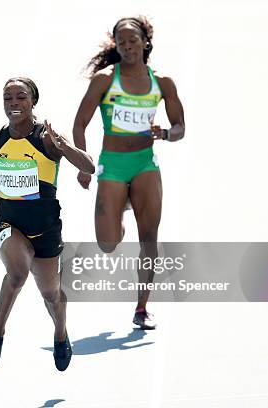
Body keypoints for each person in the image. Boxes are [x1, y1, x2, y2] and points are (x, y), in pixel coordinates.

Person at [0, 77, 94, 371]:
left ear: (33, 102)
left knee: (51, 294)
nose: (14, 104)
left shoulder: (45, 138)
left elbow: (89, 166)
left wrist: (64, 147)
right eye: (8, 99)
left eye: (20, 98)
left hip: (46, 228)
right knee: (17, 274)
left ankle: (60, 333)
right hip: (10, 223)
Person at [72, 16, 185, 329]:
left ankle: (141, 308)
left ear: (145, 42)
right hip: (113, 166)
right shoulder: (106, 79)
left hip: (145, 165)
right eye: (121, 42)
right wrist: (83, 163)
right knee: (108, 243)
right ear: (116, 46)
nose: (127, 46)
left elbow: (180, 128)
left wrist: (164, 133)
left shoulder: (162, 83)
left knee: (149, 238)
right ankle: (121, 205)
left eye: (133, 40)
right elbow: (79, 123)